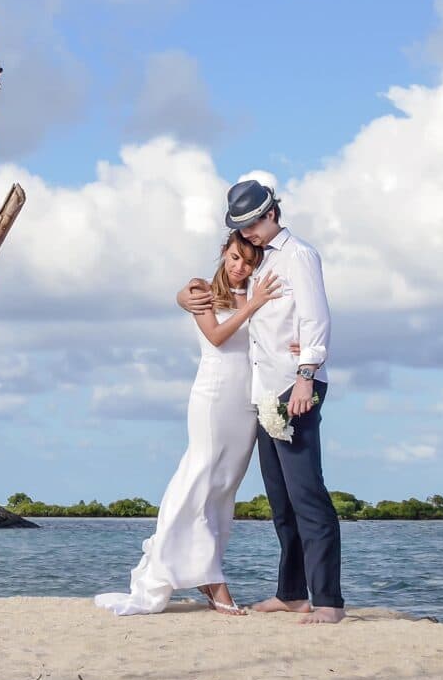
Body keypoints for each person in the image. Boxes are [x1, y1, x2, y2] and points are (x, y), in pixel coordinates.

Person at [94, 233, 283, 616]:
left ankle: (205, 569)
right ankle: (211, 579)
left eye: (247, 261)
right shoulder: (201, 291)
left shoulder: (259, 290)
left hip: (246, 401)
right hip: (214, 398)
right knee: (199, 479)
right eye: (234, 257)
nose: (239, 267)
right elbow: (215, 336)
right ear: (223, 254)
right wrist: (252, 305)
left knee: (223, 490)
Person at [227, 172, 344, 624]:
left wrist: (305, 374)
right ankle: (291, 592)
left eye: (253, 223)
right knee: (280, 500)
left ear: (272, 213)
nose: (246, 233)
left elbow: (316, 317)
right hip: (264, 390)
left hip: (294, 387)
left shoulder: (299, 256)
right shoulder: (260, 261)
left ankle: (329, 601)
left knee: (307, 494)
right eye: (240, 227)